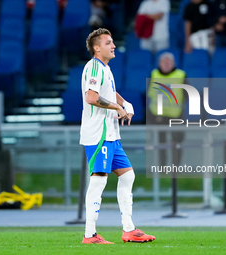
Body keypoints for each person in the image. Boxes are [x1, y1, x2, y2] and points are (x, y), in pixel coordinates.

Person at [80, 28, 156, 244]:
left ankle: (129, 230)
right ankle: (90, 234)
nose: (113, 46)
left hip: (111, 134)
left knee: (128, 175)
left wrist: (124, 103)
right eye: (108, 43)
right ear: (97, 48)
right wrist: (116, 107)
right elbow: (92, 97)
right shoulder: (94, 66)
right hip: (99, 134)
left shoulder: (105, 68)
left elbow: (107, 93)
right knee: (98, 182)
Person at [147, 52, 187, 167]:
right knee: (160, 144)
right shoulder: (153, 74)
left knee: (177, 144)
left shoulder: (181, 75)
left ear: (174, 63)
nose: (166, 64)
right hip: (157, 116)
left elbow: (186, 95)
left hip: (176, 115)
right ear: (159, 63)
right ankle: (162, 168)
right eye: (164, 62)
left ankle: (176, 167)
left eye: (169, 62)